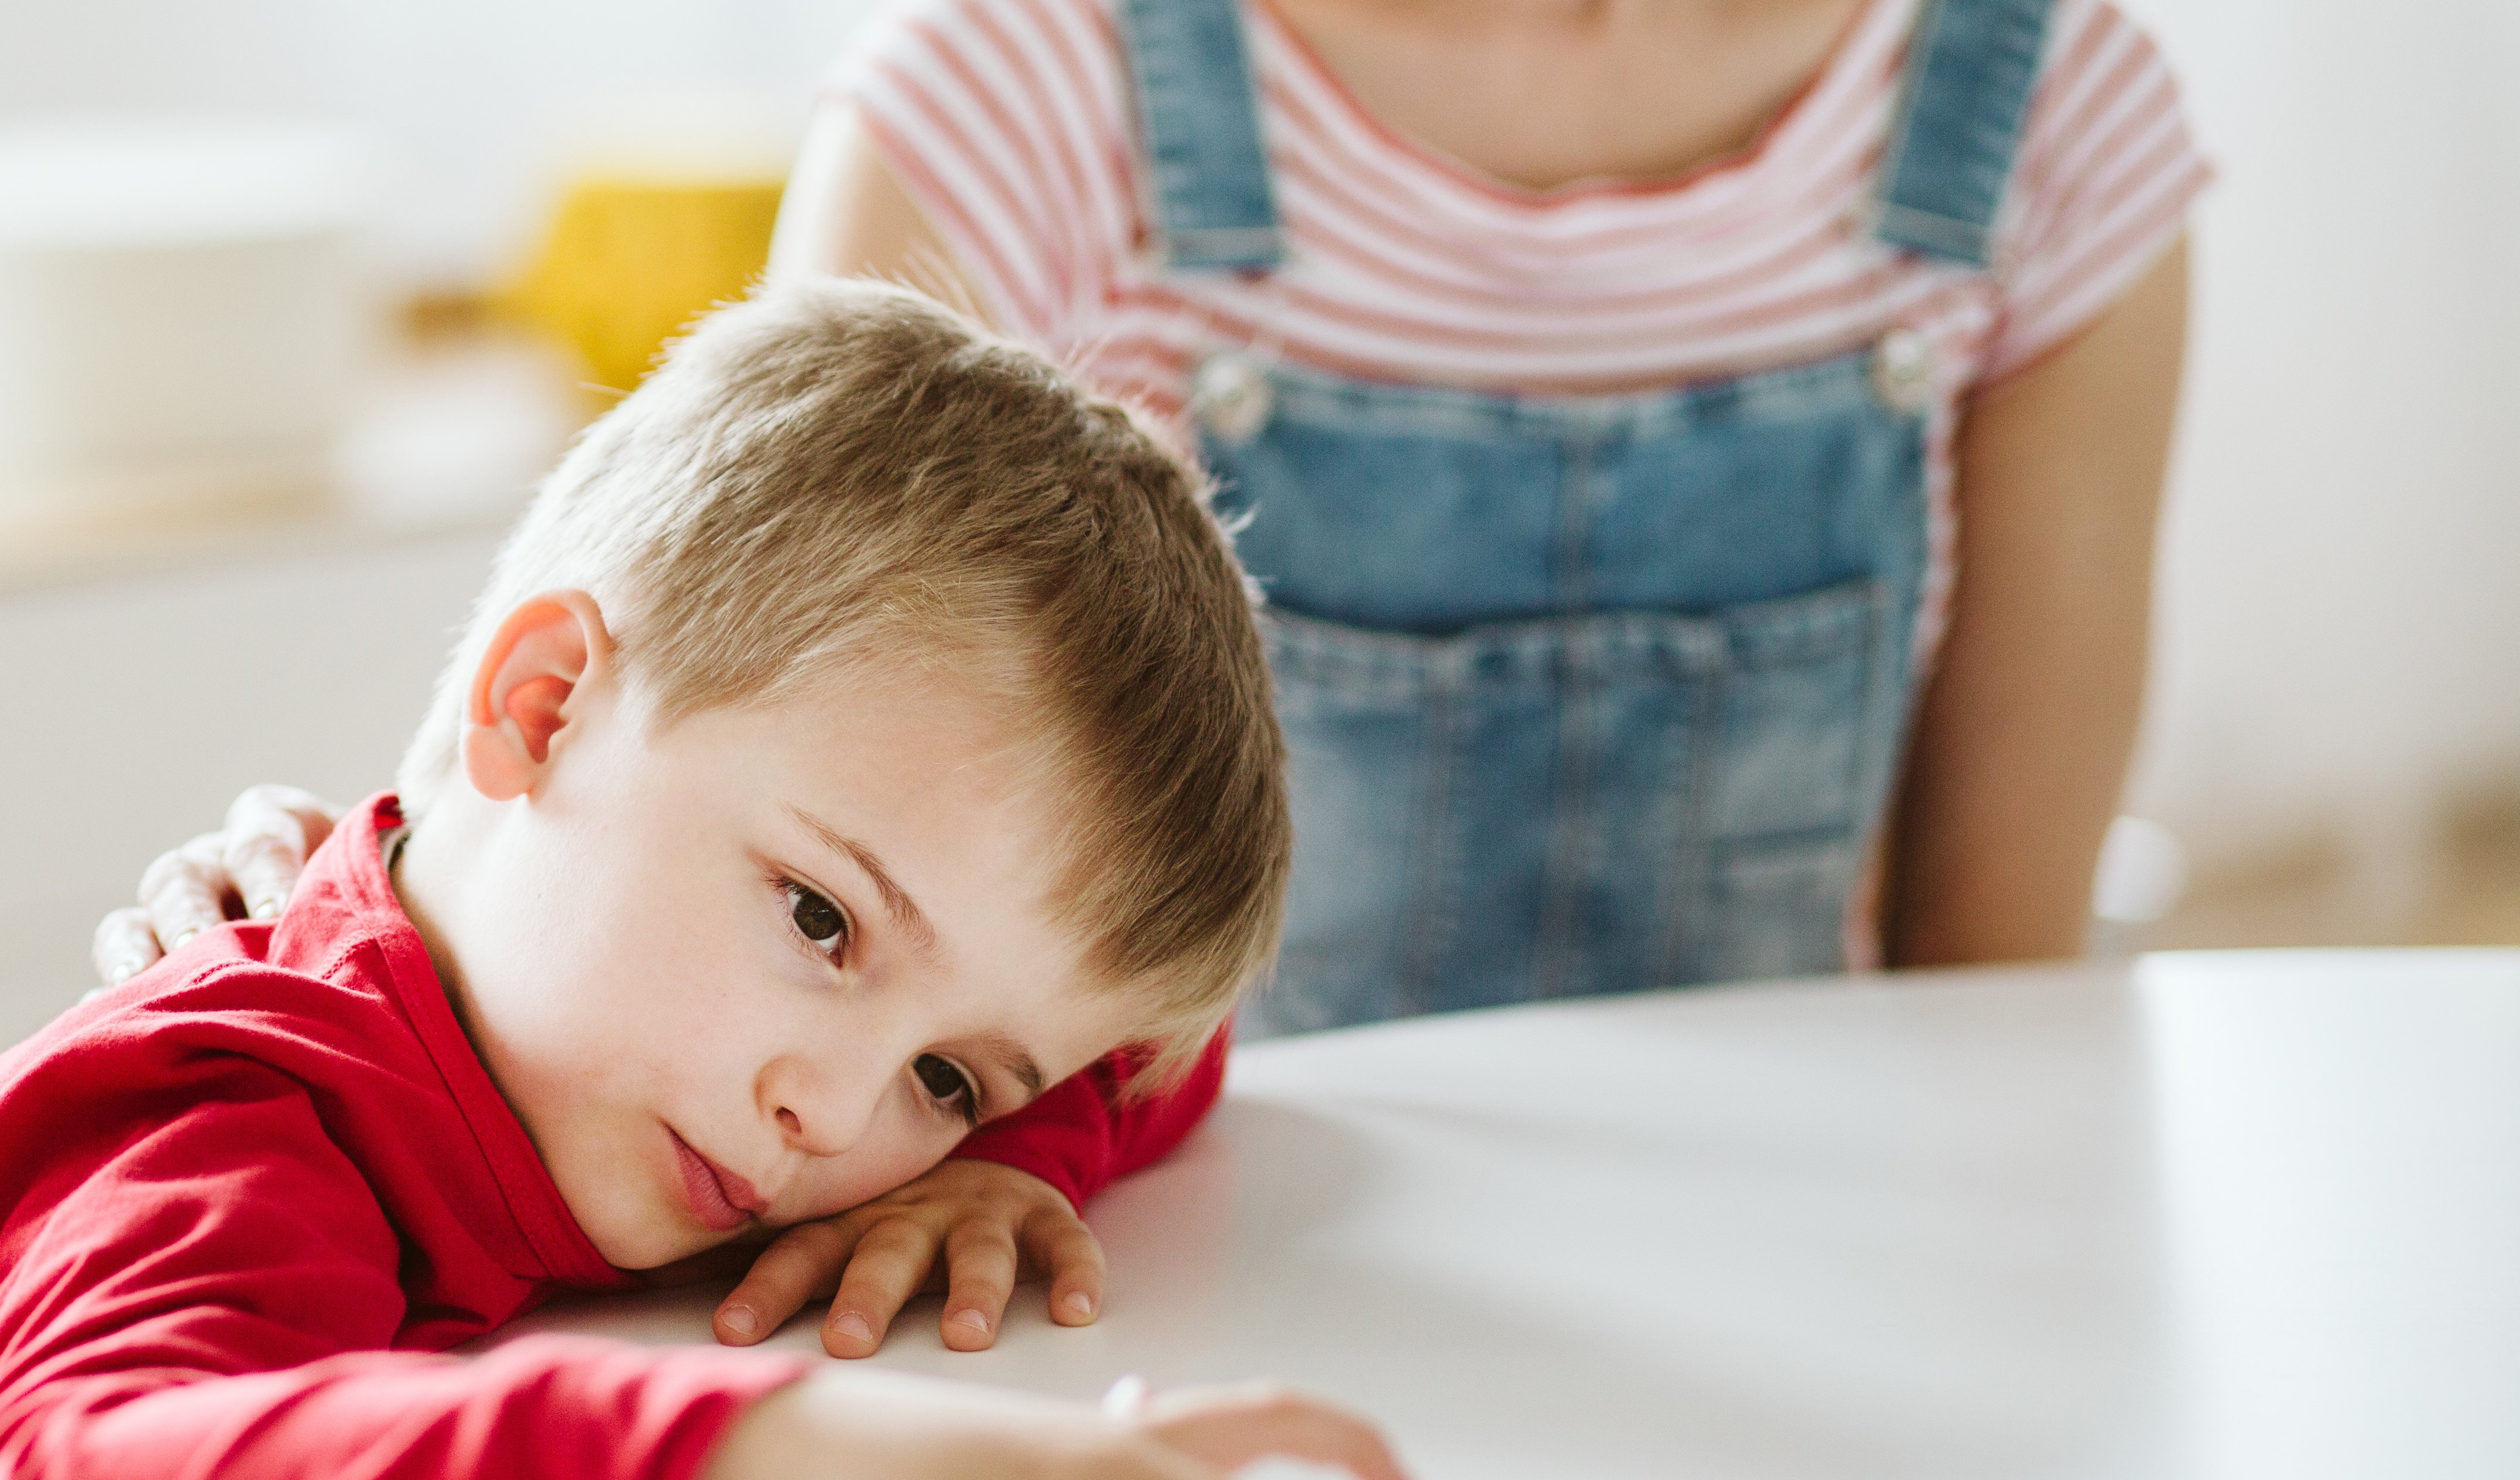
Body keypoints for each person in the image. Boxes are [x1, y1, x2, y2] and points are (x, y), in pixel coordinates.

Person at [107, 0, 2203, 1360]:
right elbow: (679, 654)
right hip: (1170, 1277)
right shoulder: (1032, 81)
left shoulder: (2043, 105)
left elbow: (1986, 994)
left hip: (1763, 1281)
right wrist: (315, 912)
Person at [0, 280, 1402, 1480]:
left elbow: (1151, 1054)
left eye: (946, 1071)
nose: (833, 1114)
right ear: (544, 707)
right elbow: (108, 1457)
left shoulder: (661, 1060)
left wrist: (1006, 1158)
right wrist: (800, 1449)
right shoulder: (232, 1116)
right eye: (823, 923)